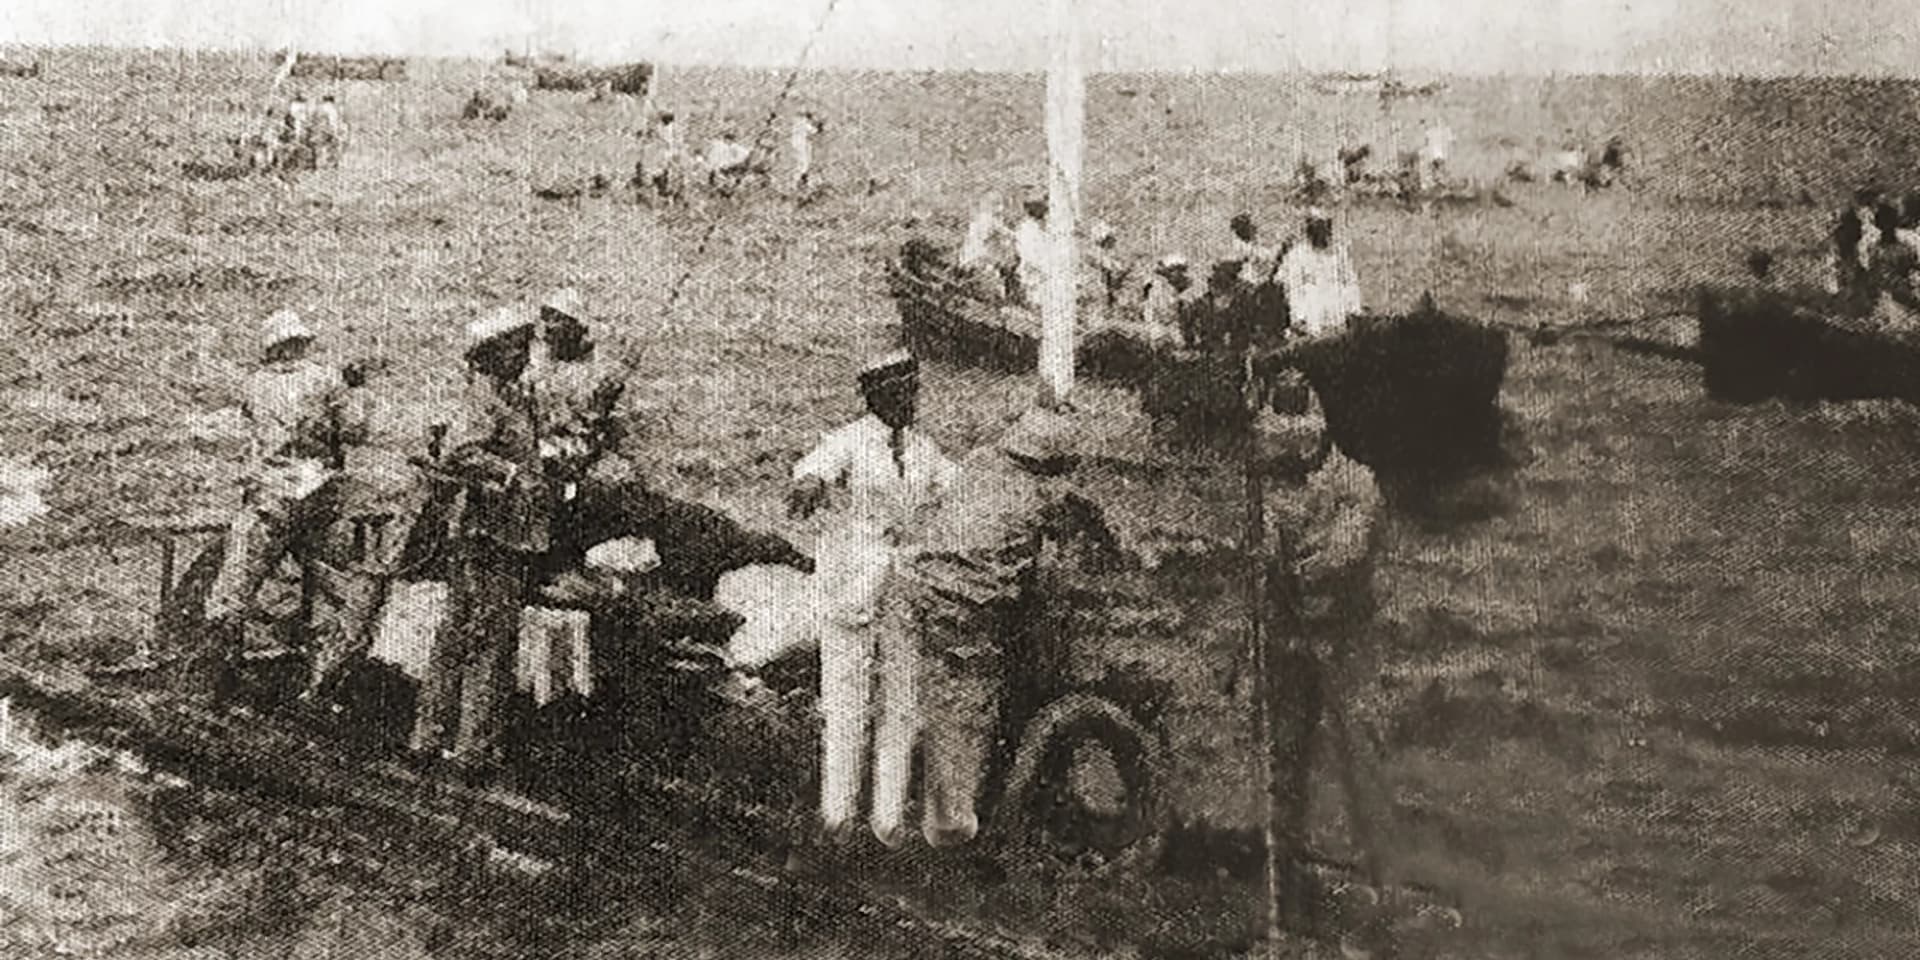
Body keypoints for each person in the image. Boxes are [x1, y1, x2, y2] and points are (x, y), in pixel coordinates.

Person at [908, 405, 1107, 848]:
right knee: (970, 713)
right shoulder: (1045, 497)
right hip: (971, 614)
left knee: (941, 706)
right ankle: (953, 836)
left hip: (922, 591)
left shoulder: (979, 464)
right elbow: (1067, 561)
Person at [787, 349, 959, 849]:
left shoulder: (924, 449)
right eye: (899, 392)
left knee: (901, 707)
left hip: (903, 592)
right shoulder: (848, 442)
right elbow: (814, 467)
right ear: (874, 396)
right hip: (852, 590)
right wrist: (810, 483)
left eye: (913, 390)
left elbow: (962, 489)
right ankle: (837, 818)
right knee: (846, 707)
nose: (910, 401)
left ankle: (887, 821)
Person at [1252, 371, 1392, 895]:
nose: (1290, 451)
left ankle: (1380, 870)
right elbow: (1261, 550)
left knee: (1359, 746)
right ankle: (1285, 859)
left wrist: (1294, 566)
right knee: (1284, 749)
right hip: (1288, 640)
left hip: (1345, 640)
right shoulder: (1266, 490)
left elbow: (1343, 554)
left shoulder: (1357, 483)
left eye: (1298, 439)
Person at [409, 306, 550, 779]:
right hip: (485, 533)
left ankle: (435, 737)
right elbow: (460, 452)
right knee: (485, 640)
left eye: (526, 345)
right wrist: (511, 475)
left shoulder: (514, 397)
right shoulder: (483, 397)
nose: (525, 354)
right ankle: (469, 749)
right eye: (516, 346)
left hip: (506, 533)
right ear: (493, 352)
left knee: (466, 635)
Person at [202, 311, 372, 701]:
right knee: (334, 594)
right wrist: (357, 391)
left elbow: (249, 434)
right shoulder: (325, 380)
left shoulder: (254, 384)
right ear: (300, 343)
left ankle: (218, 683)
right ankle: (322, 687)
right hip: (317, 500)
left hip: (269, 498)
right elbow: (355, 432)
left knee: (232, 592)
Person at [1276, 208, 1362, 340]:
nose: (1321, 234)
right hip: (1311, 307)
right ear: (1310, 231)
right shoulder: (1298, 255)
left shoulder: (1338, 253)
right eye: (1317, 229)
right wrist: (1300, 317)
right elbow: (1292, 287)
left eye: (1324, 229)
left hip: (1336, 303)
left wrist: (1354, 308)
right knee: (1310, 292)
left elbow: (1350, 280)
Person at [1866, 203, 1920, 330]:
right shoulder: (1877, 250)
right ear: (1879, 225)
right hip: (1895, 299)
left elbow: (1916, 260)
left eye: (1890, 221)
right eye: (1884, 223)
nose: (1888, 226)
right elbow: (1883, 279)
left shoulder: (1909, 240)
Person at [1082, 220, 1132, 310]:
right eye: (1111, 239)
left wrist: (1123, 271)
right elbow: (1106, 268)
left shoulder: (1108, 256)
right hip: (1100, 290)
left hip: (1108, 289)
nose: (1114, 241)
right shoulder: (1097, 255)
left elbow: (1116, 269)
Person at [1013, 197, 1051, 307]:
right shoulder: (1026, 229)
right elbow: (1028, 255)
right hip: (1035, 272)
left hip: (1046, 273)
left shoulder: (1046, 227)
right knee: (1036, 299)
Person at [1229, 213, 1279, 288]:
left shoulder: (1253, 239)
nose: (1253, 228)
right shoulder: (1240, 245)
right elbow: (1260, 255)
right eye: (1248, 226)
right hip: (1254, 278)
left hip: (1262, 272)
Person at [789, 111, 823, 193]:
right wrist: (819, 126)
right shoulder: (804, 123)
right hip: (803, 145)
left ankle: (798, 181)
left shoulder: (797, 124)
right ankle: (801, 180)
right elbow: (814, 131)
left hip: (797, 145)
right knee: (806, 163)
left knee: (802, 162)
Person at [311, 94, 346, 167]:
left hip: (320, 131)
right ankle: (330, 164)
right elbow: (333, 122)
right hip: (328, 131)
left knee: (321, 148)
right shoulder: (332, 108)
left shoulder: (319, 108)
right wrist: (335, 132)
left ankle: (321, 164)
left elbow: (314, 121)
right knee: (331, 148)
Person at [1419, 119, 1454, 191]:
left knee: (1437, 170)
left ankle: (1438, 181)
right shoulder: (1433, 132)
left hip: (1437, 157)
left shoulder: (1440, 131)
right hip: (1436, 157)